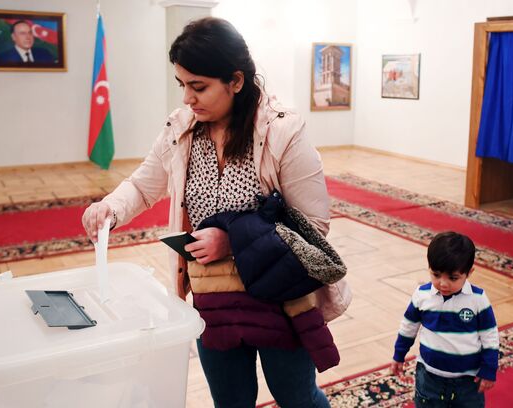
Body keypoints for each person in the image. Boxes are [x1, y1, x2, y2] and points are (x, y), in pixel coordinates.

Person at [82, 17, 344, 407]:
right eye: (182, 85)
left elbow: (315, 225)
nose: (187, 98)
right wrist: (110, 208)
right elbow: (142, 184)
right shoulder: (181, 128)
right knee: (230, 401)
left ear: (236, 81)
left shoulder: (283, 131)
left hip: (280, 297)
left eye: (198, 86)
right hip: (212, 296)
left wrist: (233, 239)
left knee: (297, 398)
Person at [390, 231, 499, 408]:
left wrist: (489, 369)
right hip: (429, 378)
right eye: (436, 274)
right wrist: (399, 355)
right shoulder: (422, 295)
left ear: (469, 272)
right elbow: (408, 328)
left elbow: (490, 337)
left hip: (468, 382)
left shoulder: (478, 299)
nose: (443, 283)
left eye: (453, 278)